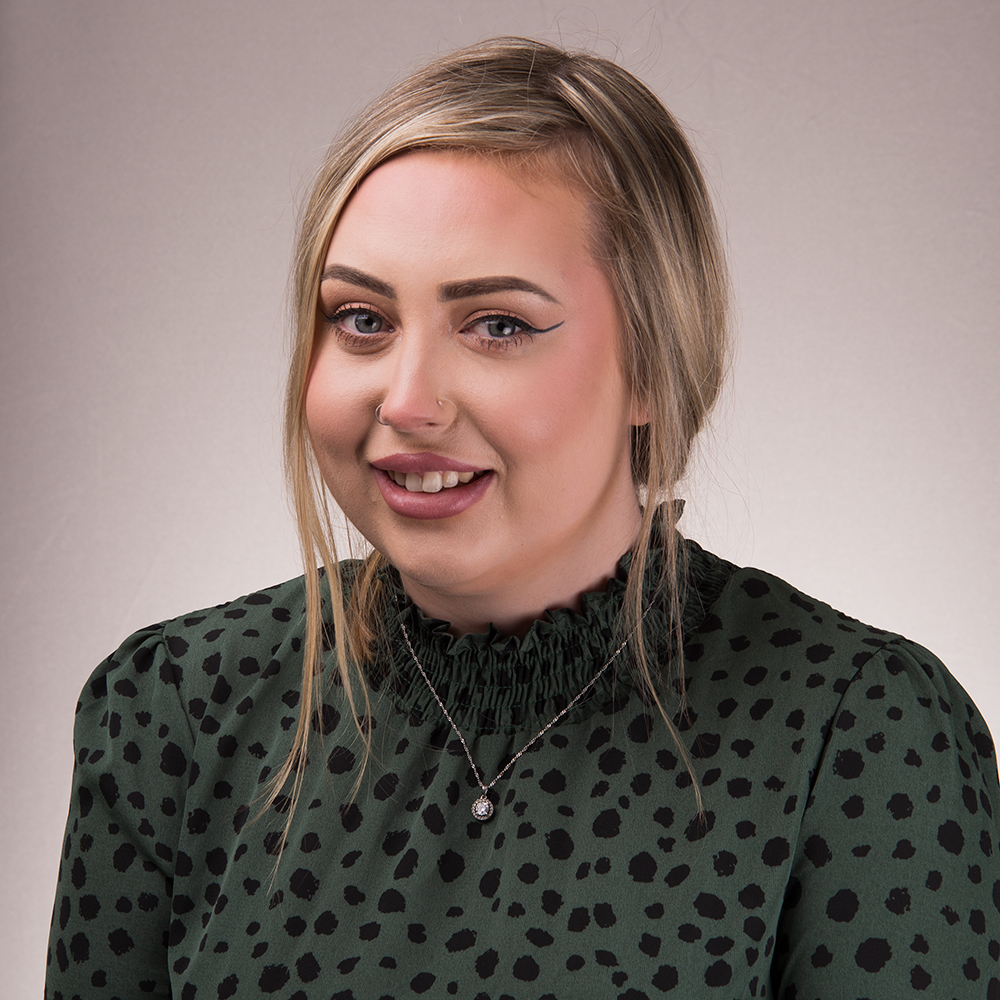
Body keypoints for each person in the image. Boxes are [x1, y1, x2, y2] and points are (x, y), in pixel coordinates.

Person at [46, 37, 998, 1000]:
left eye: (497, 324)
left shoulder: (864, 732)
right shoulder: (173, 709)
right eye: (362, 320)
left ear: (652, 367)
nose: (407, 401)